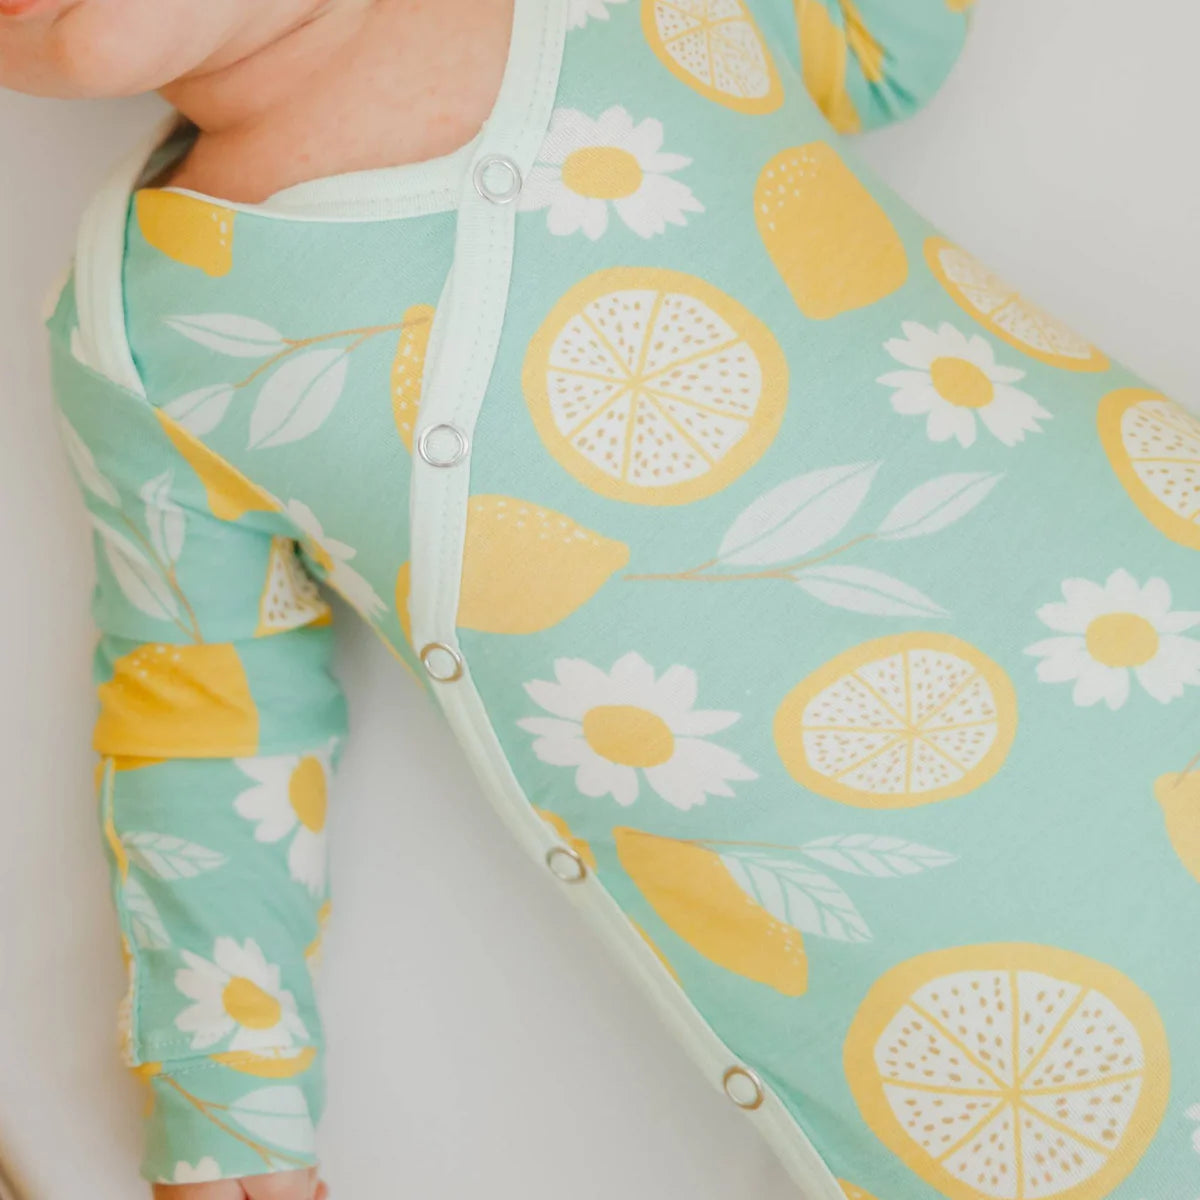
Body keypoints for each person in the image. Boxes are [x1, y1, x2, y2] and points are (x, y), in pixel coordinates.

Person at [6, 1, 1200, 1198]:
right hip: (963, 1008)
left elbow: (893, 45)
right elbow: (206, 715)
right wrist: (225, 1088)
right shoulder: (148, 333)